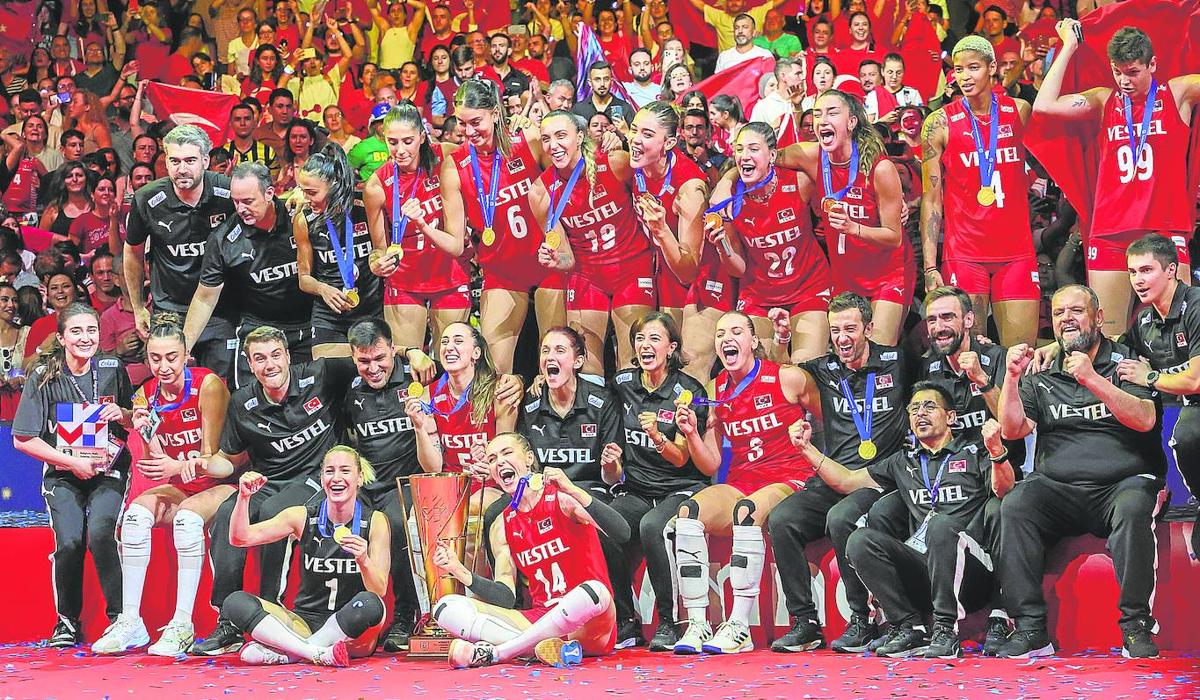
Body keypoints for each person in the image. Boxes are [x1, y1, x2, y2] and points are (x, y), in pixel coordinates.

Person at [997, 285, 1164, 659]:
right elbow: (1012, 429)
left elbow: (1146, 419)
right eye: (1058, 313)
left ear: (1099, 318)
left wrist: (1092, 379)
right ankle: (1029, 628)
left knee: (1134, 507)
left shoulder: (1128, 360)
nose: (1066, 319)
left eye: (1076, 310)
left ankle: (1136, 626)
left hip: (1122, 484)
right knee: (1016, 505)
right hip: (1059, 488)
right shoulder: (1042, 370)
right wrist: (1010, 378)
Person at [791, 383, 1015, 658]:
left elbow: (1003, 490)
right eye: (914, 409)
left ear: (951, 417)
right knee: (859, 540)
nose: (921, 413)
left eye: (930, 406)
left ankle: (945, 629)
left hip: (972, 572)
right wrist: (807, 449)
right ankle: (910, 626)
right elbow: (847, 481)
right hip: (926, 569)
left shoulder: (972, 451)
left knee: (940, 525)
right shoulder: (902, 461)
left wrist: (996, 452)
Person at [189, 327, 359, 656]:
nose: (270, 365)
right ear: (250, 365)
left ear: (288, 356)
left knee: (273, 514)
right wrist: (204, 465)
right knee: (227, 514)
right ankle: (229, 620)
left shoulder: (321, 374)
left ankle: (272, 612)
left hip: (315, 478)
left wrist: (409, 353)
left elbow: (367, 360)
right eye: (260, 359)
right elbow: (227, 461)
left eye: (275, 355)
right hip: (269, 480)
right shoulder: (242, 402)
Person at [766, 292, 913, 654]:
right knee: (782, 519)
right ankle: (804, 622)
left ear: (869, 328)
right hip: (830, 478)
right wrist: (783, 340)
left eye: (850, 329)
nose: (842, 338)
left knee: (841, 518)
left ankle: (861, 619)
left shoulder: (899, 361)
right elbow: (778, 375)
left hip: (878, 480)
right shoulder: (825, 368)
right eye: (835, 331)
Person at [1034, 23, 1200, 336]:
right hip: (1111, 231)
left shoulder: (1178, 92)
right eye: (1117, 72)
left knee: (1181, 335)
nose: (1124, 81)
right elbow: (1044, 106)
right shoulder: (1102, 100)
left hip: (1164, 228)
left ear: (1152, 64)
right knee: (1110, 338)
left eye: (1133, 72)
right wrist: (1069, 44)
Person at [90, 314, 232, 656]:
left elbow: (214, 460)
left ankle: (183, 625)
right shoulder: (147, 394)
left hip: (223, 483)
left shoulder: (208, 385)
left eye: (171, 358)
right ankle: (131, 622)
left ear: (186, 357)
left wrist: (176, 465)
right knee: (135, 518)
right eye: (155, 358)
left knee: (186, 521)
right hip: (181, 484)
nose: (163, 366)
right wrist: (128, 419)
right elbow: (154, 455)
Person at [433, 432, 626, 668]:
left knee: (593, 591)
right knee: (446, 608)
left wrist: (573, 489)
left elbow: (621, 533)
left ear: (529, 459)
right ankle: (548, 649)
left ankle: (499, 652)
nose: (499, 462)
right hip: (540, 617)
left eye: (507, 453)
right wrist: (459, 570)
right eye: (492, 459)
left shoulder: (563, 500)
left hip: (591, 622)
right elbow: (506, 595)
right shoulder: (502, 525)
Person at [12, 303, 133, 647]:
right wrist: (67, 461)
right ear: (62, 337)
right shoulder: (44, 375)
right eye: (76, 332)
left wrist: (123, 413)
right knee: (69, 542)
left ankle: (120, 619)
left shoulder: (112, 367)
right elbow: (22, 439)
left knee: (100, 533)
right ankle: (66, 621)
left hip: (107, 471)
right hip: (63, 474)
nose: (85, 338)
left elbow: (133, 418)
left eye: (91, 330)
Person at [440, 78, 566, 375]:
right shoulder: (455, 166)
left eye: (476, 122)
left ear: (495, 114)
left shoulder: (530, 140)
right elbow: (457, 239)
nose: (468, 132)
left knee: (556, 364)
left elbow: (571, 173)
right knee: (494, 371)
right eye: (462, 123)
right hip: (502, 272)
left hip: (549, 264)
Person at [220, 446, 389, 666]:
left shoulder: (375, 521)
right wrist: (243, 498)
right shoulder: (301, 515)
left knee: (371, 604)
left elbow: (379, 590)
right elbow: (240, 539)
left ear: (359, 478)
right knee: (234, 602)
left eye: (345, 471)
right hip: (304, 621)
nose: (336, 478)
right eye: (329, 471)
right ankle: (314, 652)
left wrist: (364, 560)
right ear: (321, 478)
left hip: (352, 631)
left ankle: (292, 653)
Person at [921, 36, 1038, 348]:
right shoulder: (939, 123)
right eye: (959, 69)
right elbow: (931, 198)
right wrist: (930, 266)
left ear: (992, 69)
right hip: (965, 255)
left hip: (1016, 253)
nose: (964, 76)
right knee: (968, 358)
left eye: (973, 68)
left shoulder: (1019, 111)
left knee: (1021, 356)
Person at [776, 90, 910, 344]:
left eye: (832, 112)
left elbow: (894, 237)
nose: (822, 120)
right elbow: (766, 157)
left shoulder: (879, 168)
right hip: (845, 278)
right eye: (817, 114)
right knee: (847, 353)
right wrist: (728, 180)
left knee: (877, 351)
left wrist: (853, 228)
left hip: (887, 275)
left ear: (851, 122)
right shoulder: (812, 155)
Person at [608, 313, 708, 651]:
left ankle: (668, 621)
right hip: (637, 487)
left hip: (681, 486)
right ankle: (626, 621)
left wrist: (655, 435)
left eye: (654, 338)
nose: (645, 345)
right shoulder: (622, 383)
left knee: (653, 527)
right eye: (639, 339)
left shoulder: (688, 392)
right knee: (605, 526)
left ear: (671, 347)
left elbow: (682, 458)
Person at [533, 110, 655, 374]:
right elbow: (567, 259)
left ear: (580, 137)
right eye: (546, 139)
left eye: (561, 136)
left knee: (631, 364)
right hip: (587, 276)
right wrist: (557, 260)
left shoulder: (615, 163)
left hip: (632, 269)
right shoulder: (541, 192)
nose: (553, 145)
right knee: (586, 367)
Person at [342, 319, 435, 652]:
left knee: (395, 524)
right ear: (353, 357)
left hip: (407, 484)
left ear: (393, 350)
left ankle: (404, 614)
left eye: (380, 358)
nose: (374, 368)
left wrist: (415, 353)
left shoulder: (417, 380)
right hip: (367, 487)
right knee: (340, 523)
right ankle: (352, 616)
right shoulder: (350, 390)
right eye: (364, 361)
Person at [706, 122, 831, 363]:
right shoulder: (728, 200)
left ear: (772, 154)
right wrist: (722, 246)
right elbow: (737, 268)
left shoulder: (799, 182)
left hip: (809, 288)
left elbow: (834, 170)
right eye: (739, 149)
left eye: (753, 149)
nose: (744, 157)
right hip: (758, 296)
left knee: (806, 366)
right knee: (762, 369)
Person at [183, 162, 313, 387]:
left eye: (248, 201)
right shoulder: (223, 239)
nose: (241, 208)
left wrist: (304, 193)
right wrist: (183, 348)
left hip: (307, 327)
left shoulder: (299, 216)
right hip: (258, 329)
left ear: (269, 193)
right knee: (249, 402)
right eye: (235, 201)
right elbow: (205, 297)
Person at [124, 125, 237, 382]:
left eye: (190, 160)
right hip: (169, 310)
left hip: (220, 311)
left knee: (220, 388)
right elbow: (132, 252)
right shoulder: (146, 199)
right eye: (174, 161)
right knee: (172, 387)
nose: (182, 169)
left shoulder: (228, 192)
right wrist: (139, 306)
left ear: (206, 160)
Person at [364, 102, 470, 352]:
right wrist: (377, 264)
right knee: (410, 364)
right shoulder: (376, 186)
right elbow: (379, 249)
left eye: (408, 141)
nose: (399, 150)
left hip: (451, 276)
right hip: (405, 283)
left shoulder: (447, 155)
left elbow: (486, 155)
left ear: (422, 136)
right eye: (392, 142)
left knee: (453, 363)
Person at [1119, 235, 1200, 555]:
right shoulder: (1145, 319)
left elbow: (1196, 379)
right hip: (1177, 403)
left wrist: (1150, 376)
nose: (1138, 280)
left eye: (1146, 270)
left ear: (1171, 271)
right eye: (1132, 272)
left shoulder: (1195, 305)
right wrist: (1061, 343)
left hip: (1195, 400)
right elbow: (1116, 348)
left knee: (1189, 432)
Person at [626, 102, 712, 374]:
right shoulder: (636, 166)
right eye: (633, 130)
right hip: (663, 271)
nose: (635, 140)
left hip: (701, 278)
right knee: (662, 370)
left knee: (690, 369)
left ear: (670, 142)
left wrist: (662, 232)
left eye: (647, 134)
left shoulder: (690, 189)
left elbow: (689, 271)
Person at [407, 322, 519, 513]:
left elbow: (508, 453)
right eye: (444, 342)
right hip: (451, 485)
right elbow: (433, 468)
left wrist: (491, 464)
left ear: (476, 353)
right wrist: (419, 428)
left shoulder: (499, 392)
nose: (449, 347)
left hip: (492, 483)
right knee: (417, 512)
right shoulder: (428, 397)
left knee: (472, 506)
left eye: (458, 341)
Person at [294, 144, 380, 359]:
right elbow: (304, 278)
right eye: (303, 191)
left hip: (371, 309)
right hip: (329, 316)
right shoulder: (304, 220)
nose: (305, 198)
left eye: (312, 192)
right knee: (328, 378)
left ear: (334, 185)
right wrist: (323, 289)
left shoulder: (364, 206)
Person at [572, 62, 634, 129]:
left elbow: (635, 137)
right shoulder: (579, 109)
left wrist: (626, 133)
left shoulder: (625, 108)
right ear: (590, 83)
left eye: (606, 79)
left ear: (612, 81)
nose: (602, 84)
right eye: (597, 79)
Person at [865, 53, 924, 123]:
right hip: (882, 133)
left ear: (903, 72)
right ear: (882, 72)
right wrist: (882, 121)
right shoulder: (873, 95)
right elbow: (867, 126)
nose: (894, 76)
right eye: (890, 72)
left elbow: (922, 120)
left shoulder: (913, 93)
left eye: (898, 73)